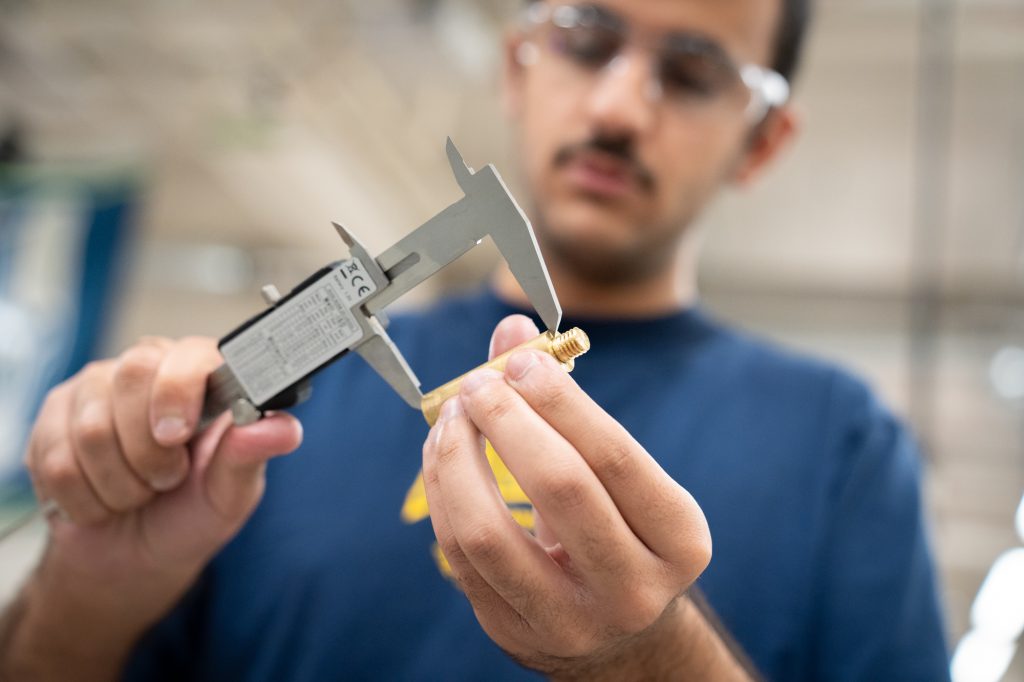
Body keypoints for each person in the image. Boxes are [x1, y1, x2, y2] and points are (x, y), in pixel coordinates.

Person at [0, 0, 951, 679]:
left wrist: (651, 660)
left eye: (694, 71)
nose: (620, 108)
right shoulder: (278, 410)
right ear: (517, 65)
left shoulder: (847, 445)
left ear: (763, 142)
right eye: (587, 38)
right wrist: (89, 592)